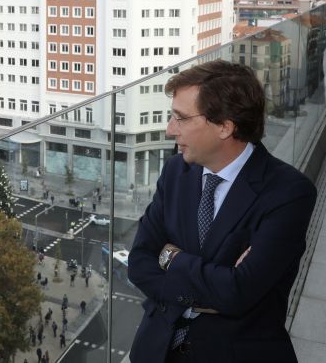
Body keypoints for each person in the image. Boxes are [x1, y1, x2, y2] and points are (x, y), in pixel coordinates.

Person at [128, 60, 316, 363]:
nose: (169, 129)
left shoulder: (289, 193)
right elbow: (138, 263)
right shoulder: (176, 172)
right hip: (156, 349)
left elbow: (238, 293)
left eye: (182, 118)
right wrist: (217, 283)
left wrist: (171, 257)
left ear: (225, 127)